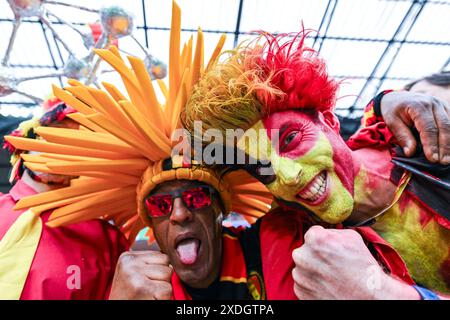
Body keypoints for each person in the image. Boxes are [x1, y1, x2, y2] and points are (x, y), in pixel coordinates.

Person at [4, 3, 418, 300]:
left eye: (197, 197)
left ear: (219, 210)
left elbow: (341, 173)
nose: (180, 213)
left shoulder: (286, 238)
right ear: (151, 226)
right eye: (162, 207)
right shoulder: (137, 283)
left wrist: (384, 104)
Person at [182, 31, 449, 296]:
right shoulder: (295, 240)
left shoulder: (424, 143)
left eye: (290, 140)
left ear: (330, 122)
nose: (287, 176)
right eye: (262, 169)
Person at [0, 98, 129, 299]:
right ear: (27, 142)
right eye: (53, 133)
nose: (61, 147)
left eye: (74, 142)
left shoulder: (106, 241)